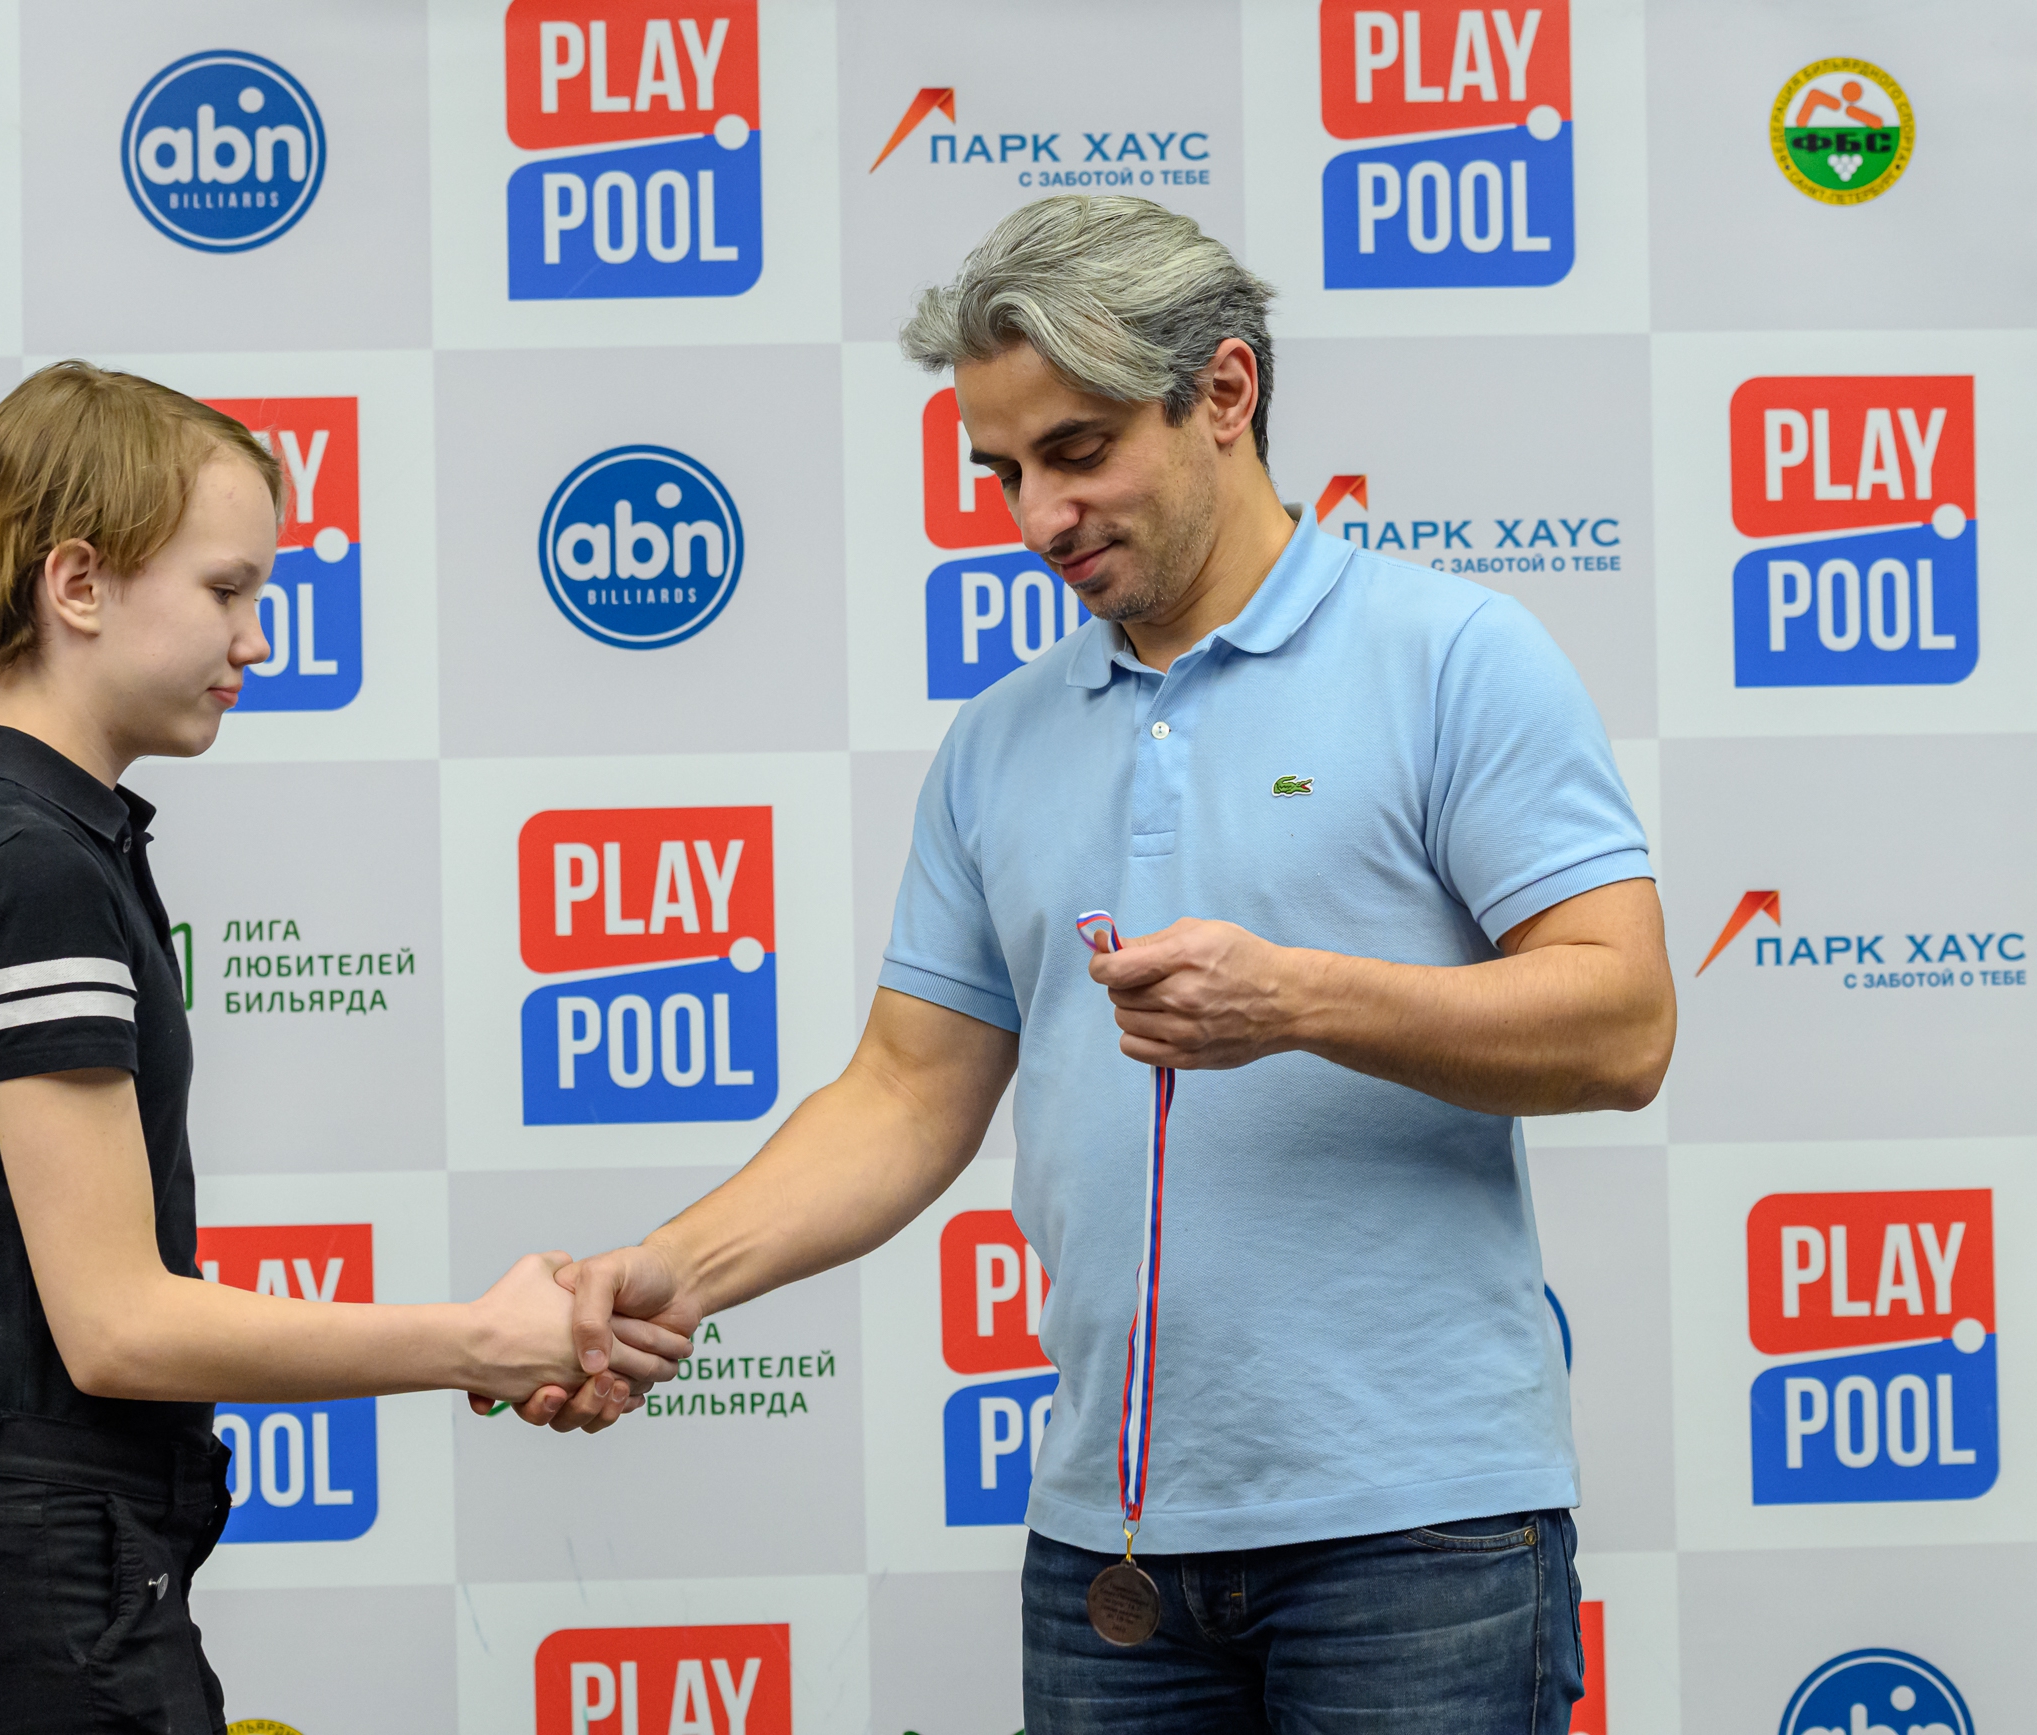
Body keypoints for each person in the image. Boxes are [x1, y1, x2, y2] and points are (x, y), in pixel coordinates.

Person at [554, 197, 1676, 1733]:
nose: (1036, 518)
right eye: (1003, 473)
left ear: (1224, 393)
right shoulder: (999, 739)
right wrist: (671, 1277)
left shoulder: (1455, 658)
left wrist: (1298, 999)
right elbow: (904, 1095)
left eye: (1076, 453)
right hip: (1109, 1543)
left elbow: (1624, 1022)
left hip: (1421, 1533)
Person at [0, 362, 688, 1735]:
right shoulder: (32, 867)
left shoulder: (43, 845)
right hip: (36, 1566)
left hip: (52, 1556)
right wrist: (479, 1341)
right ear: (79, 584)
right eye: (227, 590)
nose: (259, 641)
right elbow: (118, 1328)